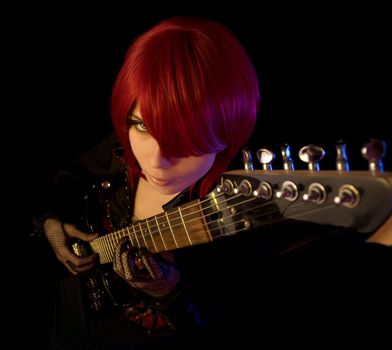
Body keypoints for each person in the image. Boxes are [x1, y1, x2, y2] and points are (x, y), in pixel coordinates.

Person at [30, 15, 259, 349]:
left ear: (229, 133)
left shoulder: (244, 221)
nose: (154, 160)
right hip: (65, 311)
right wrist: (50, 220)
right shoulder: (122, 147)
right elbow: (67, 175)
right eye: (142, 125)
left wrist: (172, 295)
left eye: (184, 141)